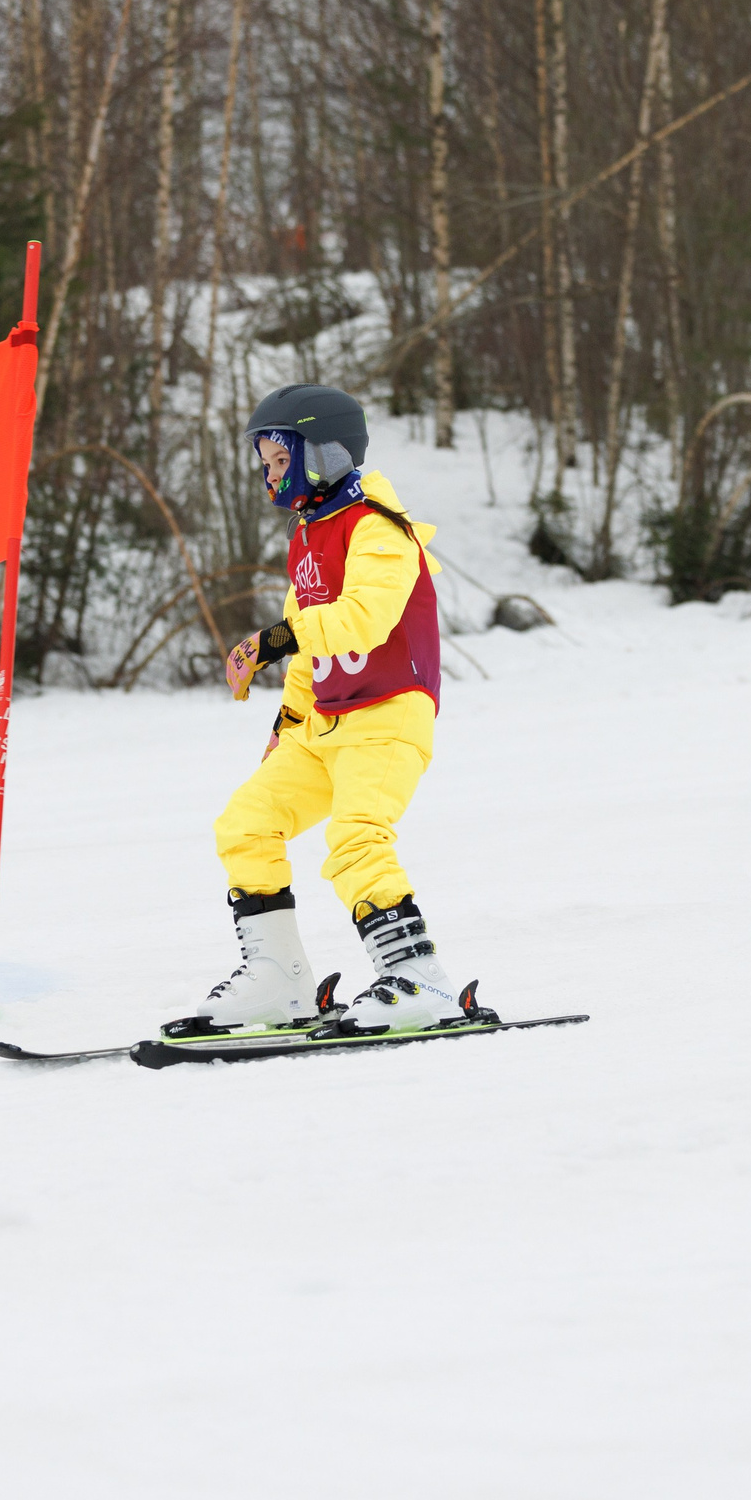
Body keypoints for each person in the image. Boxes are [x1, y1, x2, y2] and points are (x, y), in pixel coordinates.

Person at [185, 383, 473, 1036]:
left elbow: (363, 620)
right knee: (246, 823)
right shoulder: (308, 537)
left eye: (279, 459)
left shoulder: (379, 529)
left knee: (356, 837)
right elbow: (307, 655)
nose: (268, 474)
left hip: (390, 715)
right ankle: (278, 978)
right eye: (263, 463)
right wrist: (285, 728)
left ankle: (418, 977)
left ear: (324, 453)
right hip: (325, 725)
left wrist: (273, 640)